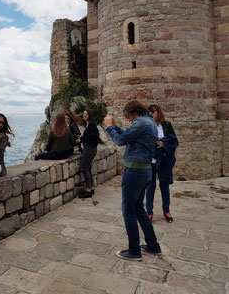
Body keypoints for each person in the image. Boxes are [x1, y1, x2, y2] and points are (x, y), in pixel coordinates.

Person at [104, 100, 161, 261]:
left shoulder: (140, 123)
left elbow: (120, 141)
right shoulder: (149, 122)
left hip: (135, 171)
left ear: (134, 113)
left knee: (128, 210)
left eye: (129, 117)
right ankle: (153, 246)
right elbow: (129, 136)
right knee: (139, 209)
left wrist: (109, 126)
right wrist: (115, 127)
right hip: (145, 170)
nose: (129, 121)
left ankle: (134, 251)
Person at [146, 104, 179, 223]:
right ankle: (149, 212)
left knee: (164, 186)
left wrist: (164, 144)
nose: (150, 113)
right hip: (151, 160)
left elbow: (175, 141)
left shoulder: (166, 125)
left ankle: (166, 211)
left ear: (158, 112)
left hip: (163, 160)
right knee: (150, 186)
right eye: (148, 112)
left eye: (153, 111)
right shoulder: (146, 126)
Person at [77, 109, 99, 198]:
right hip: (89, 148)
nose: (84, 115)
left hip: (90, 149)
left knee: (85, 168)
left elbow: (93, 138)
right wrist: (82, 137)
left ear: (89, 115)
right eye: (83, 114)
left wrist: (81, 139)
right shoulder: (88, 125)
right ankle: (91, 188)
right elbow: (89, 137)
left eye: (86, 114)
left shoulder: (92, 125)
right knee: (88, 168)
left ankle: (88, 190)